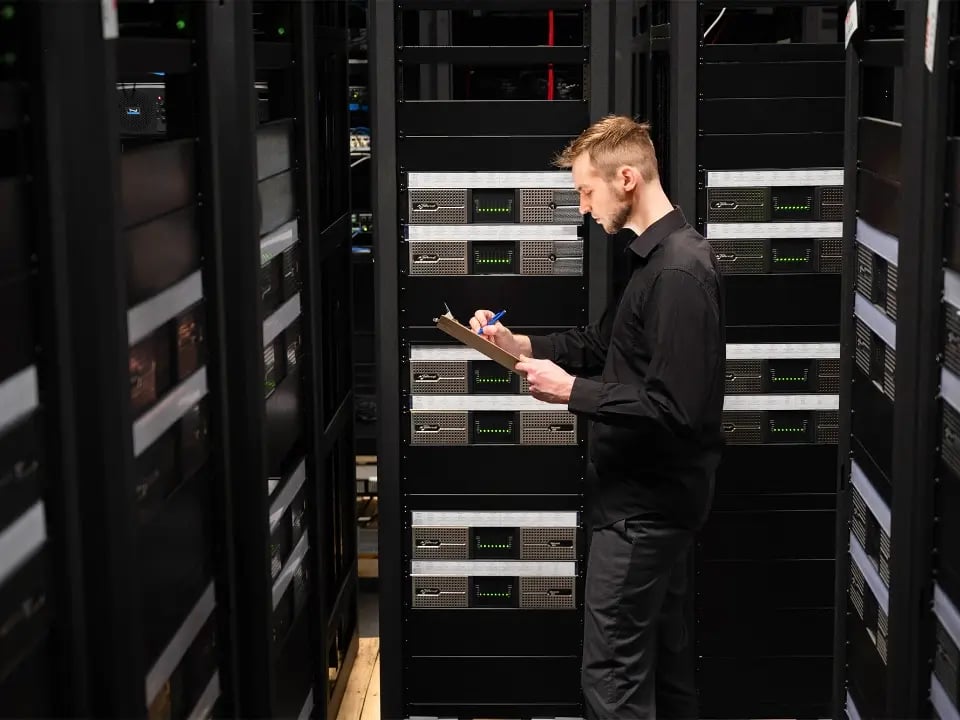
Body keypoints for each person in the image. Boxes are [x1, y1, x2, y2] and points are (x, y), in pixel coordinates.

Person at [469, 115, 725, 719]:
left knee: (612, 681)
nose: (584, 209)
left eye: (587, 191)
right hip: (647, 508)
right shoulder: (653, 261)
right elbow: (601, 342)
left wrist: (572, 393)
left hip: (644, 514)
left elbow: (678, 408)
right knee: (664, 673)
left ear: (627, 179)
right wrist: (523, 348)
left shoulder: (680, 273)